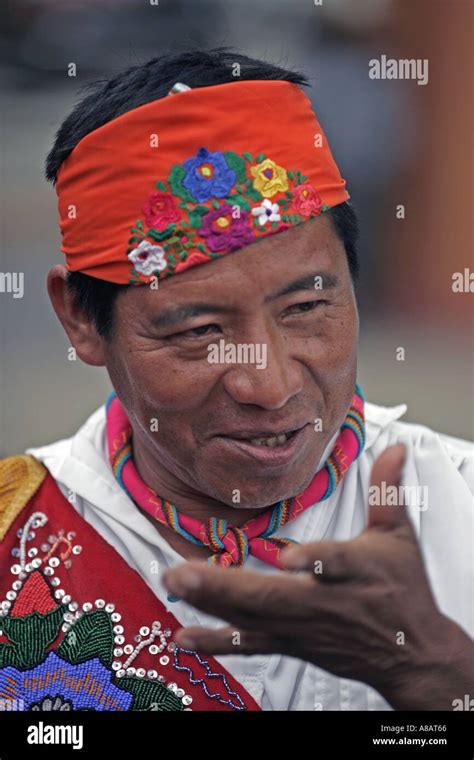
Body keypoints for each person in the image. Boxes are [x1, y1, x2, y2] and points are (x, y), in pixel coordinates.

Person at [0, 49, 472, 712]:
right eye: (198, 332)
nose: (271, 386)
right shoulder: (14, 533)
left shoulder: (462, 502)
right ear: (81, 319)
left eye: (307, 309)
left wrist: (436, 674)